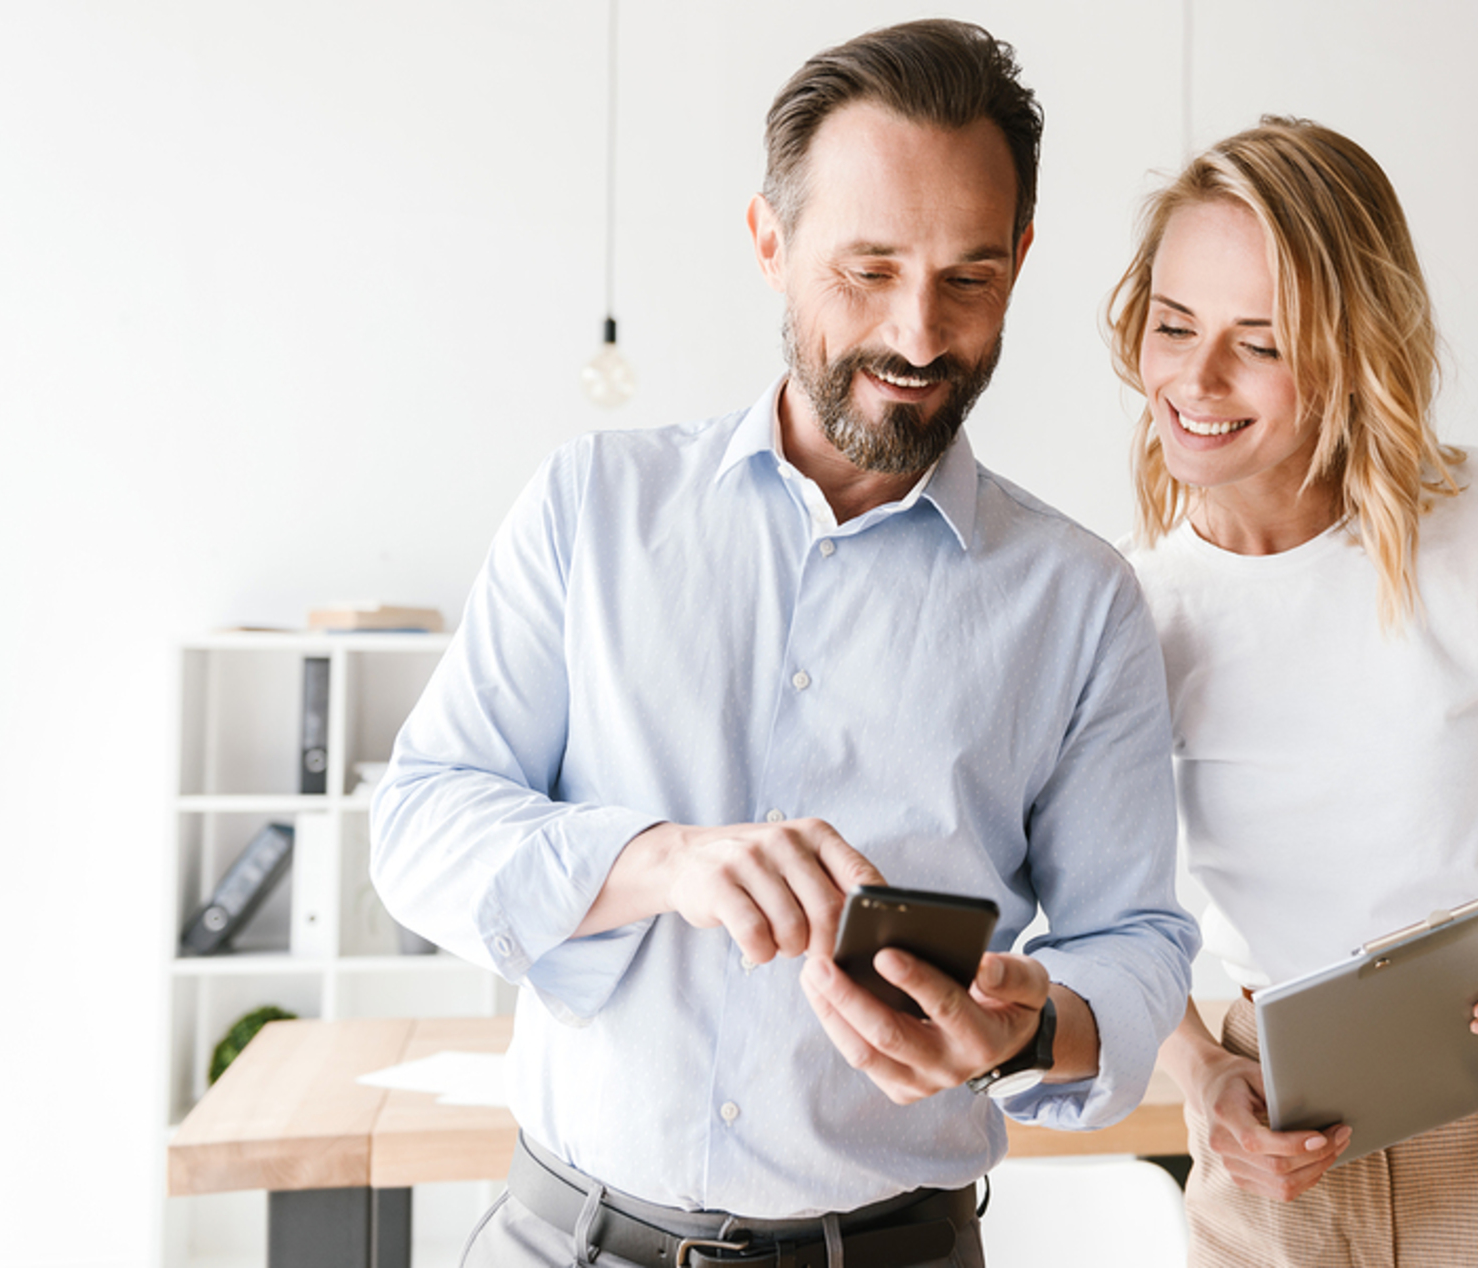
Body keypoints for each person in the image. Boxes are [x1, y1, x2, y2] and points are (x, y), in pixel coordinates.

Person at [371, 20, 1199, 1268]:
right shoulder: (593, 505)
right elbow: (419, 823)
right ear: (769, 240)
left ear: (1021, 260)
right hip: (561, 1236)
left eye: (968, 279)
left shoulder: (1081, 602)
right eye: (867, 271)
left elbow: (1135, 945)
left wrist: (1028, 1036)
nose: (919, 337)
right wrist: (659, 860)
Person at [1112, 118, 1478, 1266]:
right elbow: (1106, 919)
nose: (1195, 378)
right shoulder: (1122, 612)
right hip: (1277, 1142)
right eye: (1173, 325)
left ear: (1347, 346)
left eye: (1260, 343)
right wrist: (1200, 1069)